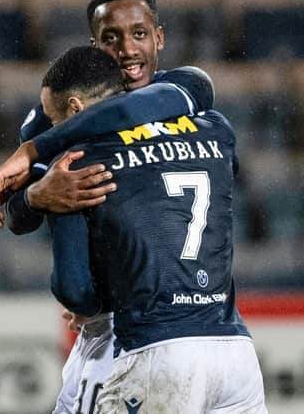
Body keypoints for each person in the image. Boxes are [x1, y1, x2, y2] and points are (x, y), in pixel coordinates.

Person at [0, 0, 218, 413]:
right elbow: (17, 216)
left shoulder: (179, 91)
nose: (128, 50)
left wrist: (35, 150)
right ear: (94, 45)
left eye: (139, 34)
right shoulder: (56, 115)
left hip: (150, 326)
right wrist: (38, 196)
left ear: (159, 38)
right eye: (111, 38)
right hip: (159, 330)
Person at [44, 46, 266, 413]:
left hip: (157, 350)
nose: (55, 132)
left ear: (74, 110)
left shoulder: (77, 164)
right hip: (234, 353)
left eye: (54, 122)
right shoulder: (214, 127)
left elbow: (76, 292)